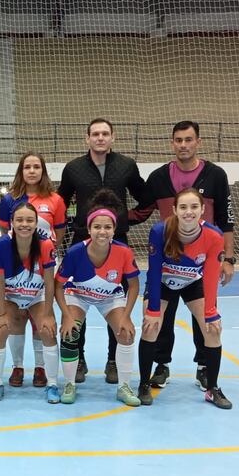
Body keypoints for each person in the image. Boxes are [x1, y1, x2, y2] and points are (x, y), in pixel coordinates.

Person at [129, 120, 235, 391]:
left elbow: (226, 218)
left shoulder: (215, 175)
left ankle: (203, 367)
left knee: (206, 320)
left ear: (198, 142)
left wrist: (228, 259)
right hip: (167, 261)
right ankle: (161, 365)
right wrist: (106, 220)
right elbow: (141, 212)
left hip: (202, 261)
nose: (184, 145)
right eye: (179, 140)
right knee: (159, 319)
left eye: (189, 139)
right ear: (172, 143)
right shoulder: (159, 177)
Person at [57, 118, 145, 385]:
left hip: (116, 242)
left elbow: (145, 197)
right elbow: (60, 202)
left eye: (105, 133)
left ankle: (112, 361)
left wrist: (126, 219)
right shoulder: (73, 168)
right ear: (87, 138)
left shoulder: (126, 166)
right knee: (77, 301)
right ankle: (79, 359)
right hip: (81, 241)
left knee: (113, 301)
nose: (100, 138)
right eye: (95, 134)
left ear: (112, 137)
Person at [136, 188, 232, 410]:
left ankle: (213, 389)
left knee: (213, 330)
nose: (189, 212)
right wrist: (152, 311)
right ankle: (143, 384)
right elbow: (154, 271)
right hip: (163, 282)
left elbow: (209, 277)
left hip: (192, 283)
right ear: (174, 210)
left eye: (194, 207)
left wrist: (211, 313)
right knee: (150, 327)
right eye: (183, 207)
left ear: (202, 210)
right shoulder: (160, 231)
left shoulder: (214, 236)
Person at [54, 190, 141, 406]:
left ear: (114, 229)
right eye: (97, 227)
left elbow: (134, 285)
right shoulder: (75, 252)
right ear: (89, 229)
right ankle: (70, 383)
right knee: (70, 333)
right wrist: (66, 315)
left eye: (108, 227)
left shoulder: (124, 252)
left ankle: (124, 386)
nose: (102, 231)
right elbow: (58, 285)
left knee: (126, 334)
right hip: (79, 295)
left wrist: (127, 316)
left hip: (109, 297)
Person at [0, 151, 66, 388]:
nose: (32, 171)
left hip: (43, 264)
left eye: (37, 166)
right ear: (21, 171)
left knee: (41, 320)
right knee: (15, 318)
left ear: (43, 171)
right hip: (16, 265)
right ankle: (17, 367)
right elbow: (5, 231)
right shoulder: (9, 200)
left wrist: (44, 254)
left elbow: (60, 233)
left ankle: (40, 367)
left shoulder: (55, 200)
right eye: (27, 167)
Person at [0, 202, 59, 403]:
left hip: (37, 297)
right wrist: (1, 312)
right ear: (11, 222)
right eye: (19, 220)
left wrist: (48, 313)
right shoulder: (2, 244)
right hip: (11, 297)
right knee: (0, 329)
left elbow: (49, 282)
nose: (24, 224)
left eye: (29, 220)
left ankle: (52, 383)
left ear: (37, 223)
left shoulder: (45, 245)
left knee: (46, 329)